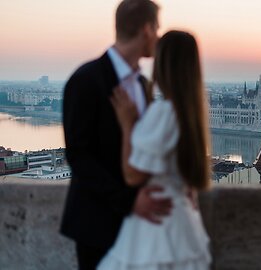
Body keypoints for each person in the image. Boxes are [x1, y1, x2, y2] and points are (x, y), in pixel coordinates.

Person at [61, 1, 172, 269]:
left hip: (139, 228)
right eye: (156, 28)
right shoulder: (86, 80)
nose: (158, 36)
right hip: (98, 226)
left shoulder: (143, 85)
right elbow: (79, 157)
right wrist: (131, 202)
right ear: (146, 30)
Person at [97, 30, 212, 270]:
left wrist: (128, 125)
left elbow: (132, 175)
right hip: (185, 224)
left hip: (156, 226)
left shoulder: (162, 113)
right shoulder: (192, 116)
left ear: (163, 66)